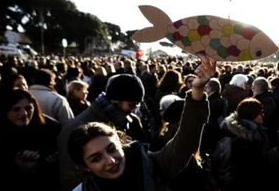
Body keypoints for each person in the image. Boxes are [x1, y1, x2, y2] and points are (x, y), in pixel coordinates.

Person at [66, 55, 215, 191]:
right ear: (84, 167)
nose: (111, 161)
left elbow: (184, 144)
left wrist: (197, 91)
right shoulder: (75, 128)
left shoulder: (149, 165)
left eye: (112, 149)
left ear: (121, 142)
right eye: (96, 158)